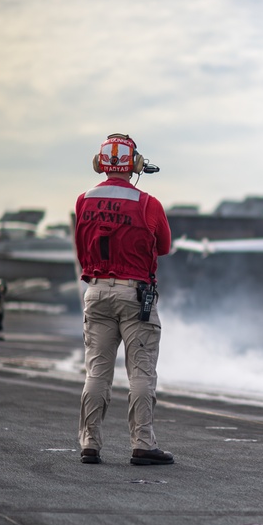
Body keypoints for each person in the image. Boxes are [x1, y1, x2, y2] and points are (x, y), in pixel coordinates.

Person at [75, 133, 173, 466]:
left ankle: (90, 443)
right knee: (141, 374)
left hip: (97, 291)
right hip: (135, 294)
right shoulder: (149, 203)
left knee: (96, 373)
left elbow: (80, 250)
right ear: (134, 164)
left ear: (99, 163)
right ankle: (142, 444)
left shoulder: (83, 200)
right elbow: (164, 247)